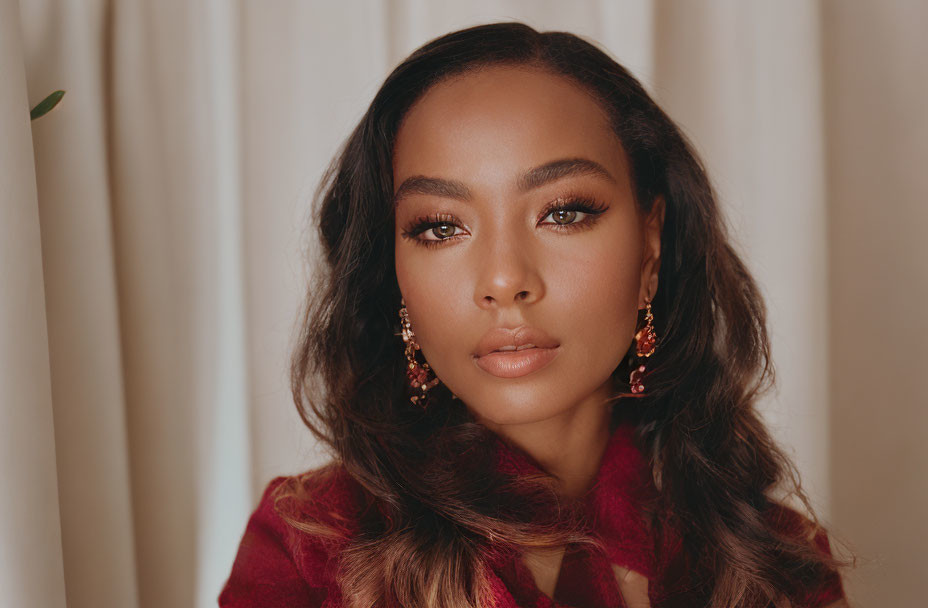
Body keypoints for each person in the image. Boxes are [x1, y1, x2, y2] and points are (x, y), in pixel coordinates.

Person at [218, 22, 853, 608]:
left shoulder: (775, 563)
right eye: (440, 227)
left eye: (564, 212)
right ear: (393, 275)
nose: (503, 280)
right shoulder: (310, 549)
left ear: (650, 244)